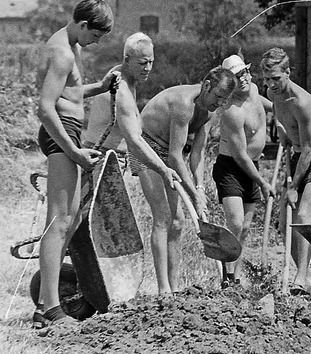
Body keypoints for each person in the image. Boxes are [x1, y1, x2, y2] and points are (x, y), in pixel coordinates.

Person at [34, 0, 119, 328]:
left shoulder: (69, 44)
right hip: (61, 137)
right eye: (95, 34)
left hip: (66, 134)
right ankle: (51, 309)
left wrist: (99, 86)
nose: (96, 42)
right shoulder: (63, 52)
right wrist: (74, 151)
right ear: (83, 24)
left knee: (68, 220)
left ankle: (45, 303)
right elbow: (45, 107)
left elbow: (68, 92)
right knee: (59, 222)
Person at [133, 67, 236, 294]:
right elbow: (175, 156)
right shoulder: (184, 104)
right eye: (217, 97)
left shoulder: (209, 112)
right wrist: (193, 196)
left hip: (169, 150)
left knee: (178, 222)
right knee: (163, 217)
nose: (219, 103)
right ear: (206, 86)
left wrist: (199, 188)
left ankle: (175, 288)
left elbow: (197, 154)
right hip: (146, 147)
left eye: (224, 100)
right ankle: (163, 290)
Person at [260, 47, 311, 295]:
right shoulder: (273, 94)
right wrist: (282, 129)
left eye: (277, 79)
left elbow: (309, 149)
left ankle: (301, 278)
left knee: (303, 216)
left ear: (288, 73)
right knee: (285, 223)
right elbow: (286, 124)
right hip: (296, 155)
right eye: (268, 79)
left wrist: (293, 188)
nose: (272, 84)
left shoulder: (302, 102)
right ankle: (306, 274)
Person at [82, 32, 179, 185]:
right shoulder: (121, 90)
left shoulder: (126, 76)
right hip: (102, 161)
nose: (148, 68)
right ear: (127, 60)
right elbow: (134, 141)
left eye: (151, 62)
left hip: (111, 159)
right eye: (142, 63)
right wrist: (163, 169)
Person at [214, 54, 275, 287]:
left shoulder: (254, 90)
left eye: (245, 73)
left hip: (253, 166)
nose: (244, 79)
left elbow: (265, 104)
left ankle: (235, 277)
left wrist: (281, 115)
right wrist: (262, 182)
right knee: (236, 224)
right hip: (231, 168)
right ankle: (226, 275)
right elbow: (240, 155)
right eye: (238, 77)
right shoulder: (232, 111)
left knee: (246, 228)